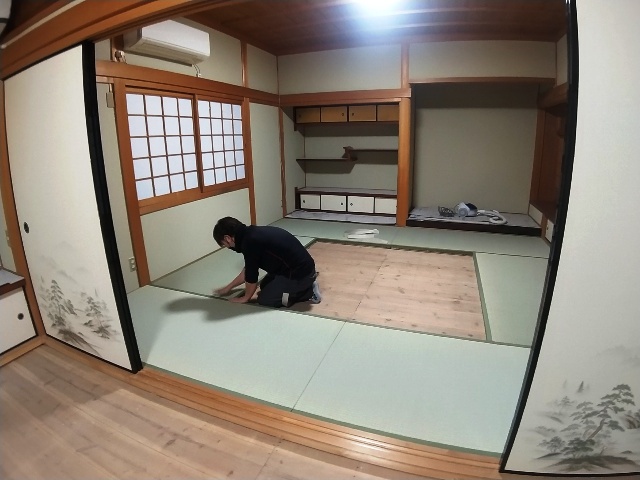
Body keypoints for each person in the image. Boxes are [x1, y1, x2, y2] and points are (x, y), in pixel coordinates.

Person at [213, 217, 321, 307]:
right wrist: (228, 287)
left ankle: (308, 291)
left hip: (299, 274)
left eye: (224, 245)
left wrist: (245, 298)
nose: (227, 247)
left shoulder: (250, 242)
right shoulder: (251, 234)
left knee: (266, 300)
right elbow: (248, 269)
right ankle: (302, 285)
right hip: (293, 269)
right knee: (264, 286)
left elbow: (251, 277)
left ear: (228, 238)